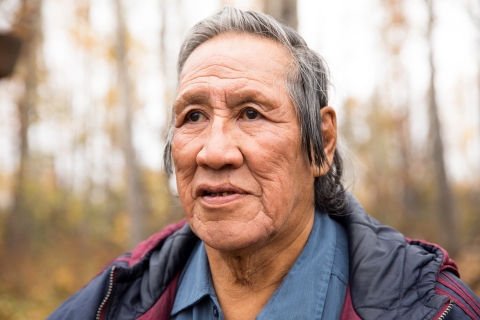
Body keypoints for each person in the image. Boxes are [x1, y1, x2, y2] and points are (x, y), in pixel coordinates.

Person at [48, 7, 480, 320]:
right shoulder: (111, 302)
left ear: (322, 143)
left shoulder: (431, 308)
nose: (214, 153)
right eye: (193, 116)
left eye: (251, 113)